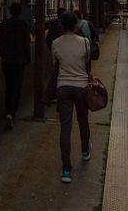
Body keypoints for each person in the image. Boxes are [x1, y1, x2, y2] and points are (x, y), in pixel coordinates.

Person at [51, 11, 92, 183]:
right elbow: (87, 61)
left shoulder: (55, 43)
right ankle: (85, 150)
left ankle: (66, 170)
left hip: (63, 87)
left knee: (65, 128)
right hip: (81, 87)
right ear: (76, 25)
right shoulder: (85, 42)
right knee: (83, 120)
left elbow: (55, 64)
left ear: (61, 25)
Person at [0, 2, 31, 130]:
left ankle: (7, 111)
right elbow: (26, 42)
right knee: (17, 86)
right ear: (20, 12)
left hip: (7, 60)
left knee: (9, 86)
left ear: (10, 11)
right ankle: (12, 113)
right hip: (19, 60)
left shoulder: (4, 24)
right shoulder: (23, 25)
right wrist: (28, 57)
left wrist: (3, 52)